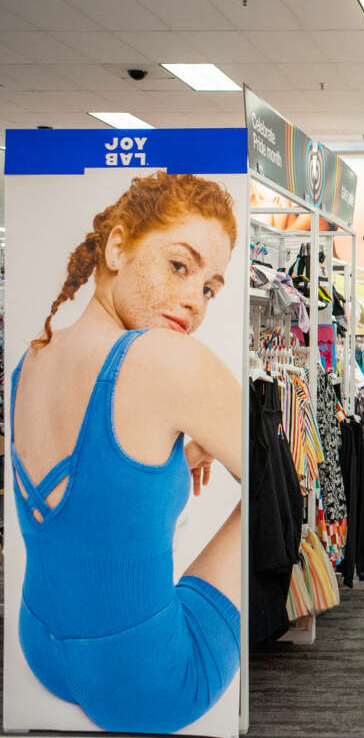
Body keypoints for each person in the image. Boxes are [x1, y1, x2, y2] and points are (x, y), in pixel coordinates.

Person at [10, 171, 243, 733]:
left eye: (210, 288)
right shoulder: (163, 356)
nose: (194, 301)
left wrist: (172, 463)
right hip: (148, 679)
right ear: (117, 247)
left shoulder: (30, 361)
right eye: (179, 266)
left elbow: (91, 488)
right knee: (274, 493)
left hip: (39, 640)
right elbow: (282, 482)